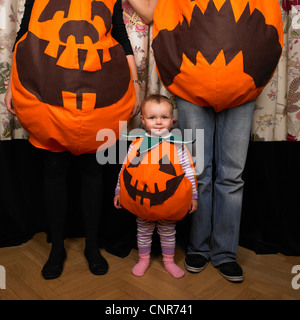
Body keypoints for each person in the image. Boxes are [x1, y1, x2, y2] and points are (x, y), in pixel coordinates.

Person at [129, 0, 283, 282]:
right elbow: (154, 13)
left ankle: (225, 252)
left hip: (242, 80)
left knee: (232, 175)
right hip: (192, 80)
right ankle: (198, 248)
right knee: (198, 172)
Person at [5, 0, 141, 279]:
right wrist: (11, 86)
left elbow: (120, 37)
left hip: (96, 91)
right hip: (51, 92)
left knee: (93, 171)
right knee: (54, 170)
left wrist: (135, 84)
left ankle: (92, 247)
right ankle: (57, 248)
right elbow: (25, 36)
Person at [114, 94, 198, 279]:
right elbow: (125, 169)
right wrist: (119, 190)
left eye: (164, 117)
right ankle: (143, 259)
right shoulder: (136, 145)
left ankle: (169, 261)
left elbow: (188, 171)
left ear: (172, 119)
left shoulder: (178, 146)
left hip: (169, 202)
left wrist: (193, 196)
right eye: (152, 118)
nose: (158, 122)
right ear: (142, 120)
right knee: (143, 230)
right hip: (142, 201)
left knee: (168, 232)